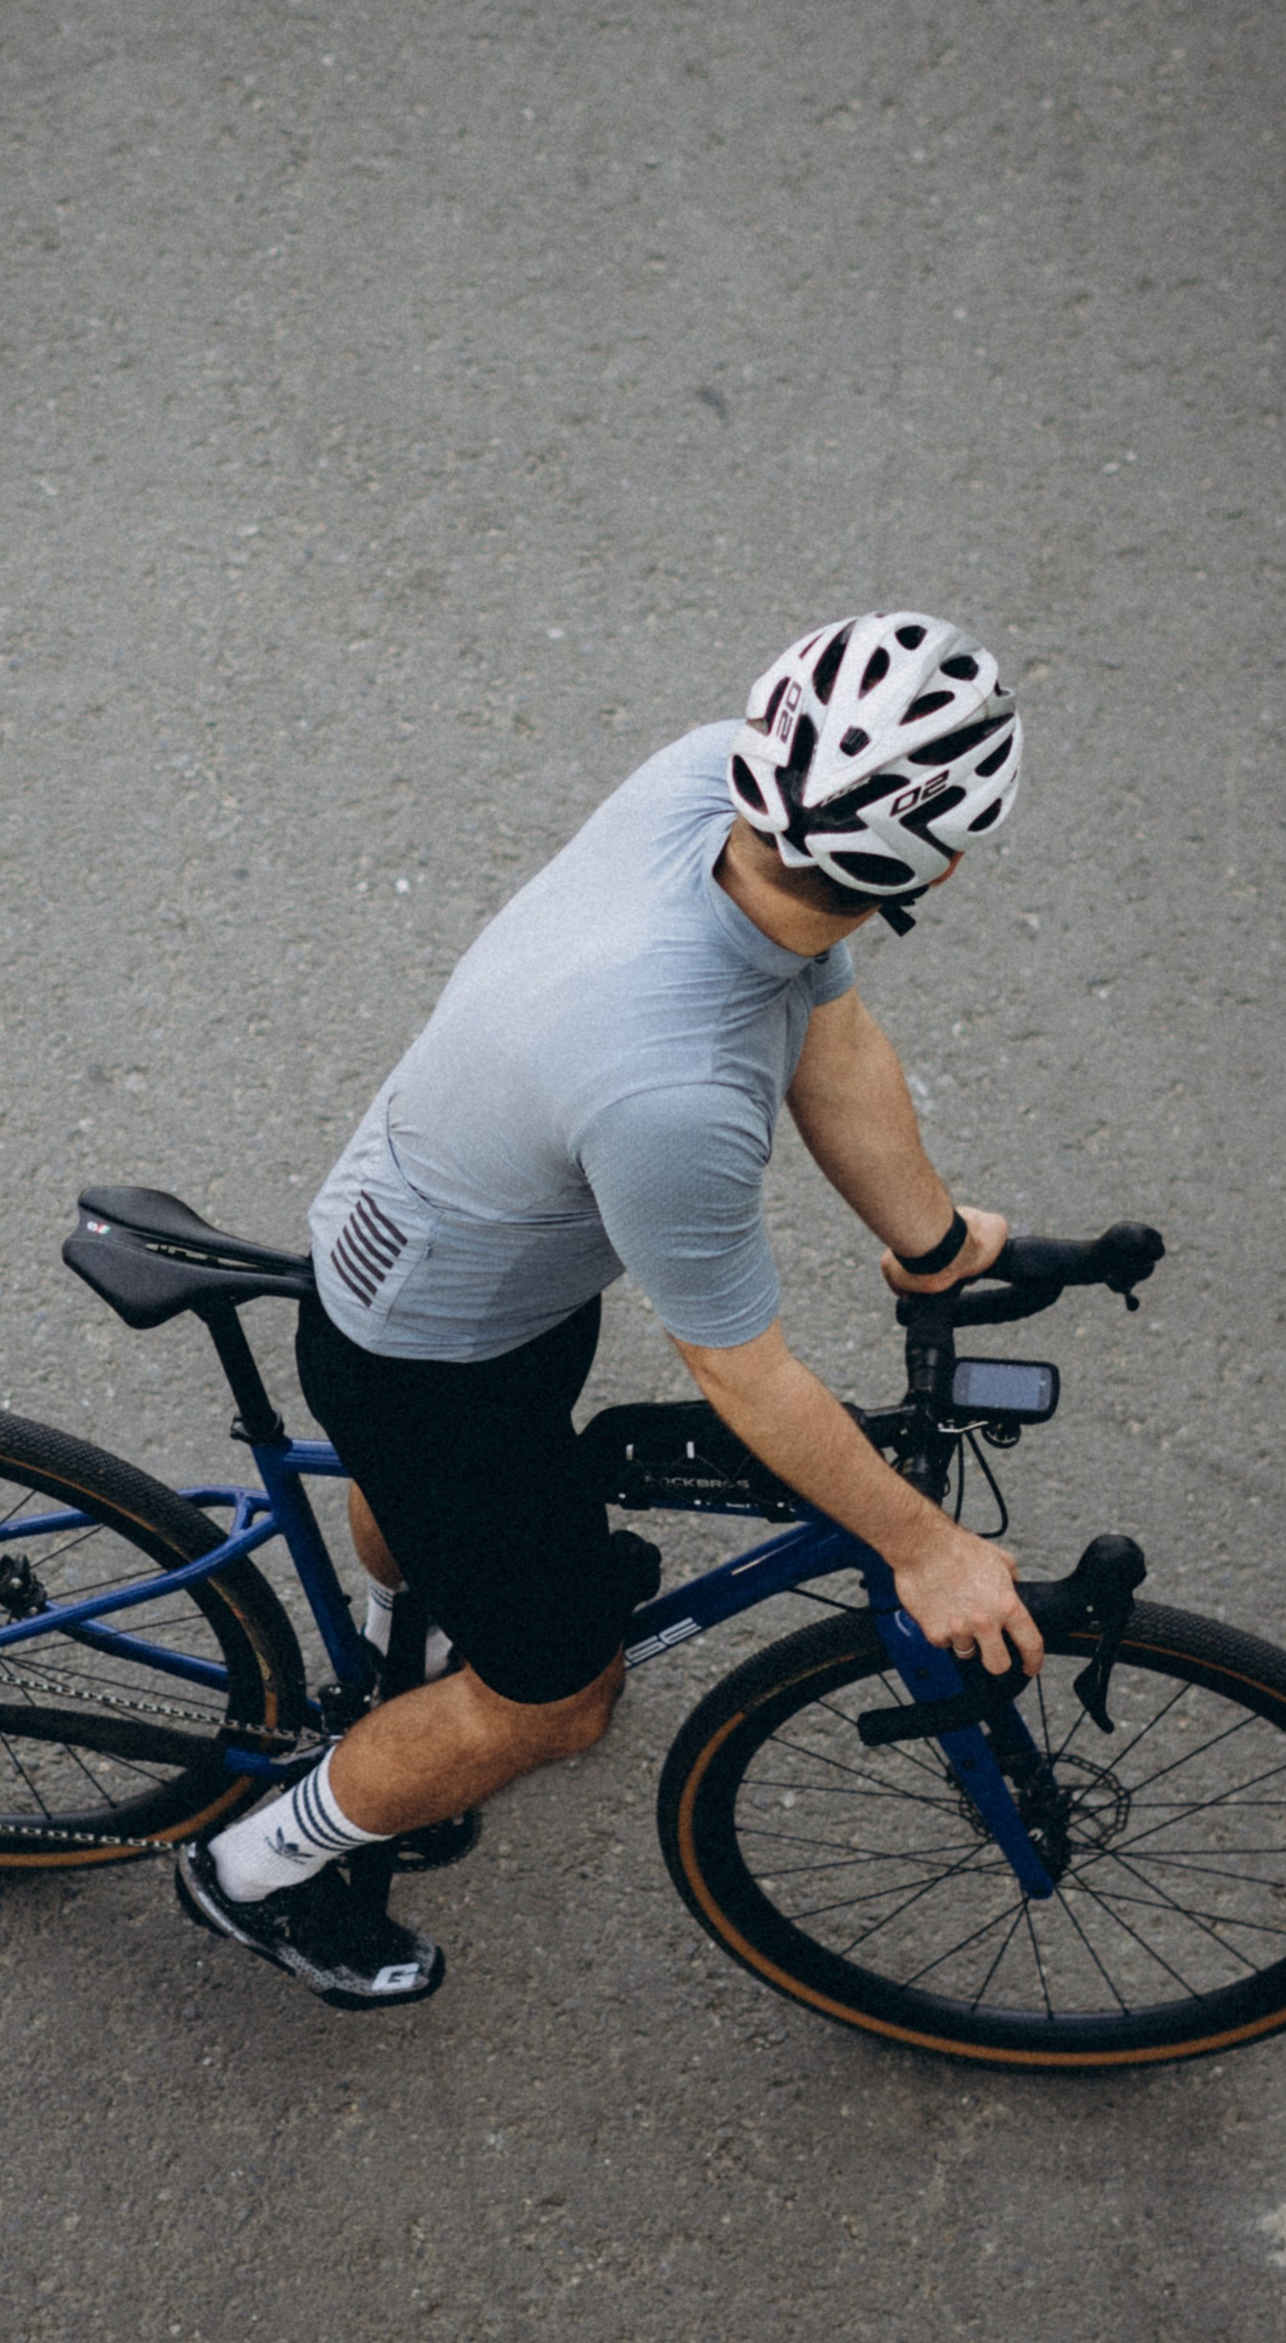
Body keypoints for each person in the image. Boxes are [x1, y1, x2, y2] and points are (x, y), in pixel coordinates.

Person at [176, 609, 1041, 2010]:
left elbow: (829, 1022)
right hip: (433, 1351)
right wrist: (931, 1552)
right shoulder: (673, 1094)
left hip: (467, 1251)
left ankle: (435, 1628)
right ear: (935, 859)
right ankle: (257, 1869)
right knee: (559, 1701)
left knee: (465, 1514)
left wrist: (931, 1239)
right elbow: (747, 1376)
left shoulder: (714, 787)